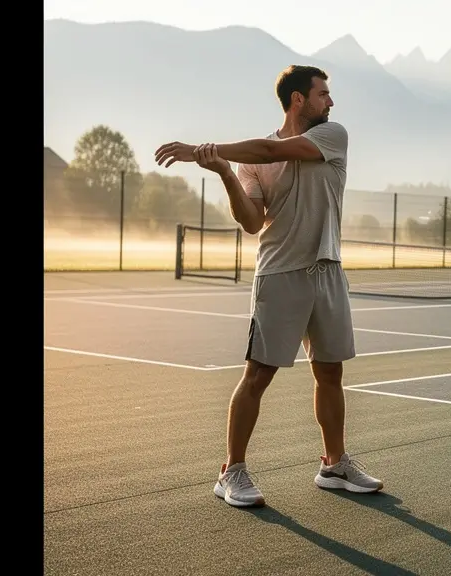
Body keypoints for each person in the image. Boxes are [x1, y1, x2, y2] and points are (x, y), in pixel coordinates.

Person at [154, 64, 383, 508]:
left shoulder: (332, 136)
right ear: (298, 99)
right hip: (280, 275)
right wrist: (223, 170)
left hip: (329, 270)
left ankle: (334, 464)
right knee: (257, 375)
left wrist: (202, 149)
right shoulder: (251, 163)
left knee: (330, 372)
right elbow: (252, 223)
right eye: (322, 94)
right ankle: (232, 471)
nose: (330, 102)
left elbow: (265, 147)